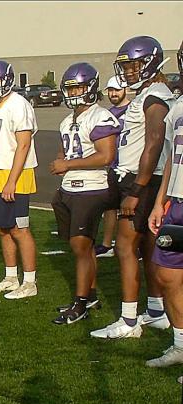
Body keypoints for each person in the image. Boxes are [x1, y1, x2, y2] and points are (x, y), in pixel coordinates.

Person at [91, 36, 175, 340]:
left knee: (125, 248)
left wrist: (137, 189)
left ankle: (128, 321)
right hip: (141, 179)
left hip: (143, 180)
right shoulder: (148, 93)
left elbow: (154, 140)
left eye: (133, 64)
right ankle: (156, 311)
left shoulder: (155, 96)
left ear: (149, 62)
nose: (127, 71)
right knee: (147, 248)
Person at [48, 63, 120, 325]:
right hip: (69, 188)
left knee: (81, 245)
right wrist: (61, 160)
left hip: (91, 187)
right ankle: (89, 295)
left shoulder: (100, 116)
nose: (73, 92)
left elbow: (106, 155)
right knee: (82, 246)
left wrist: (67, 164)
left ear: (90, 87)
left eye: (77, 87)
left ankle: (80, 304)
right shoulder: (68, 120)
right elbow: (66, 150)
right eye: (70, 88)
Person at [0, 60, 40, 299]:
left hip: (17, 174)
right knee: (3, 229)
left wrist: (12, 180)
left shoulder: (19, 104)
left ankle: (30, 282)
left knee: (19, 229)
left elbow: (23, 144)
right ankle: (11, 277)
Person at [146, 41, 183, 367]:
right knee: (167, 275)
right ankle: (180, 344)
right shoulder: (178, 107)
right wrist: (161, 201)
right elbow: (173, 157)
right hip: (177, 203)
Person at [96, 75, 132, 257]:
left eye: (117, 90)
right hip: (113, 165)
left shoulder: (135, 110)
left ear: (125, 90)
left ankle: (134, 245)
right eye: (110, 90)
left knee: (130, 208)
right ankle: (107, 244)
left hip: (130, 167)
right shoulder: (107, 113)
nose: (113, 94)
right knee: (110, 206)